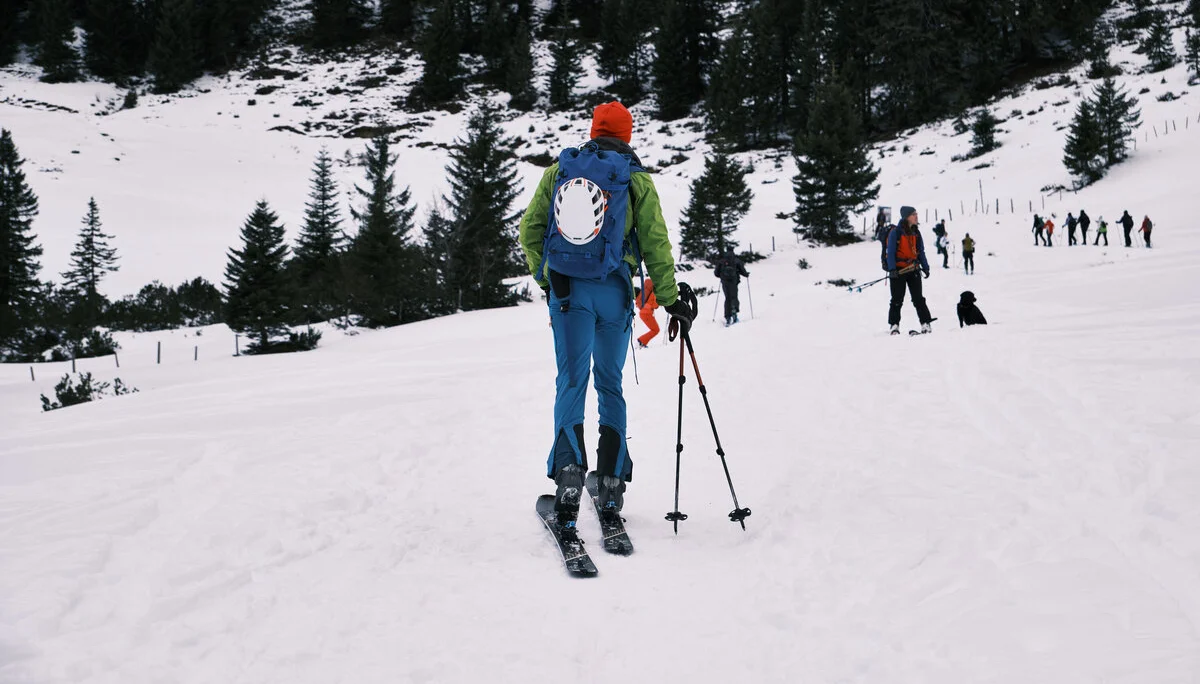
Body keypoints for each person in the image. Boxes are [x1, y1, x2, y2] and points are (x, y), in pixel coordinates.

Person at [518, 100, 694, 531]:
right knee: (610, 383)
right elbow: (656, 244)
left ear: (594, 130)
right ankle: (611, 482)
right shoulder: (636, 180)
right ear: (628, 135)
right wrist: (670, 299)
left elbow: (529, 232)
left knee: (572, 380)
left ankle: (569, 477)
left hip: (567, 295)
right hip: (615, 294)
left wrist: (548, 282)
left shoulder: (559, 172)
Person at [886, 205, 933, 334]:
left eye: (916, 214)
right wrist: (892, 269)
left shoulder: (916, 232)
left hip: (913, 269)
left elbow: (921, 251)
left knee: (918, 298)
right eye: (913, 214)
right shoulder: (896, 232)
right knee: (896, 300)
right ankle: (894, 325)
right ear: (907, 217)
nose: (916, 216)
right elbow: (890, 252)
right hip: (899, 271)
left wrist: (925, 267)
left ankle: (926, 323)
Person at [713, 246, 749, 326]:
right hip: (734, 282)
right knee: (734, 297)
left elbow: (716, 273)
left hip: (725, 282)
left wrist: (722, 276)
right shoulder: (736, 260)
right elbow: (743, 271)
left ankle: (728, 317)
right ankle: (734, 313)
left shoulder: (722, 261)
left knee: (727, 298)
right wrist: (746, 274)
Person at [635, 278, 660, 347]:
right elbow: (655, 305)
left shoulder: (649, 291)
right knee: (655, 330)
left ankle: (642, 342)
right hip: (646, 313)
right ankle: (641, 341)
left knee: (655, 329)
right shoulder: (653, 293)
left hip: (644, 313)